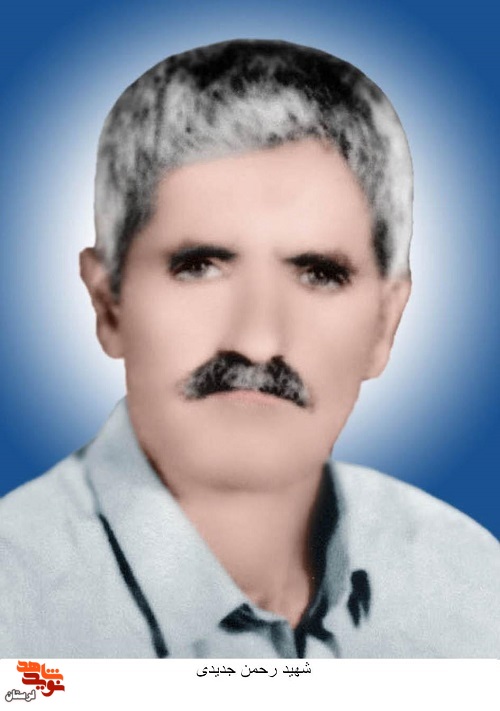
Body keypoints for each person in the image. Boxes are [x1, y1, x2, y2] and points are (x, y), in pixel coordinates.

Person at [0, 39, 498, 659]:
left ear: (384, 325)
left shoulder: (474, 590)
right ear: (108, 304)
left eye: (319, 273)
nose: (257, 342)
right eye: (199, 266)